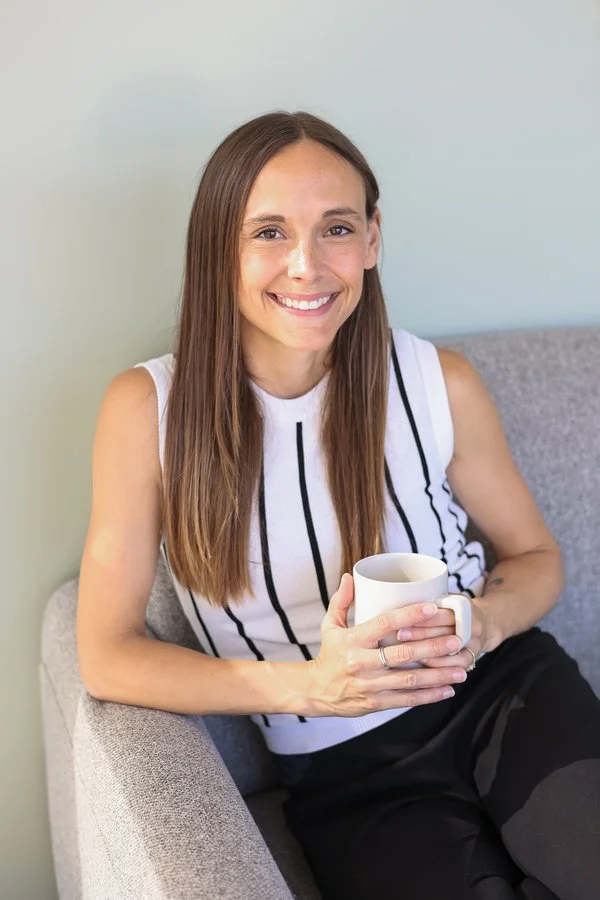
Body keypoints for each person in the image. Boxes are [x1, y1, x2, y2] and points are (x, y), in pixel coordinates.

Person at [77, 110, 600, 900]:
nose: (307, 266)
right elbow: (105, 654)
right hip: (343, 771)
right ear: (219, 244)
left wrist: (485, 622)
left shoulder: (437, 381)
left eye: (337, 228)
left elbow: (537, 560)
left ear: (374, 240)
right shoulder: (146, 411)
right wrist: (304, 689)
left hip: (507, 693)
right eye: (269, 232)